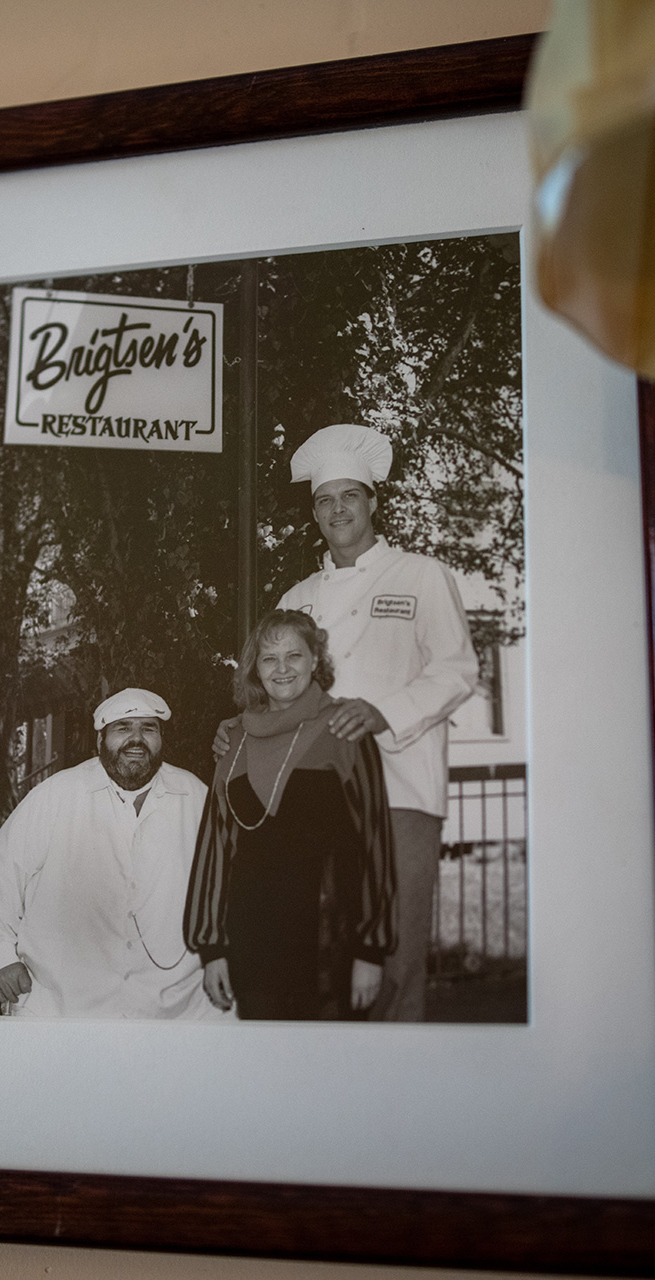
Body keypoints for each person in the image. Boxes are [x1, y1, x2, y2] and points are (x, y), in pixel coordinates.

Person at [215, 423, 478, 1021]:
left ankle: (391, 1100)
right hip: (311, 796)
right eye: (324, 500)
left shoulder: (421, 576)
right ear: (314, 512)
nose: (337, 510)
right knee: (320, 951)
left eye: (349, 496)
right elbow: (273, 687)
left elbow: (458, 669)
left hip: (400, 785)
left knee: (394, 954)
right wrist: (239, 732)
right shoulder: (298, 594)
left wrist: (383, 711)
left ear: (374, 502)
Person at [183, 610, 395, 1020]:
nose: (282, 669)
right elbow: (215, 847)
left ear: (315, 660)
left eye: (293, 655)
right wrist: (212, 950)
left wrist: (370, 949)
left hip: (330, 950)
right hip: (254, 950)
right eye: (269, 658)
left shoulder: (344, 729)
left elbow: (376, 841)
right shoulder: (233, 739)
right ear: (255, 669)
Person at [0, 688, 226, 1020]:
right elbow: (3, 869)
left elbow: (224, 882)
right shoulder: (57, 794)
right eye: (123, 728)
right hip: (62, 1003)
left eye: (148, 728)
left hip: (175, 1004)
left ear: (161, 739)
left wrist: (218, 956)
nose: (136, 739)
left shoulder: (194, 794)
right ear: (100, 740)